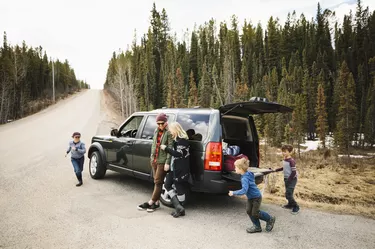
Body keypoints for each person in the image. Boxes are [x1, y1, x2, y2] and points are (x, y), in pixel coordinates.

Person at [229, 157, 276, 233]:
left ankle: (270, 219)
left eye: (236, 167)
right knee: (249, 211)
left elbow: (244, 190)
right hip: (251, 197)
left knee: (255, 212)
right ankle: (257, 227)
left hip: (256, 197)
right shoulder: (248, 173)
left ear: (241, 169)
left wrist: (233, 192)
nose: (235, 169)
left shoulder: (245, 178)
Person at [138, 113, 173, 212]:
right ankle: (156, 203)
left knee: (158, 182)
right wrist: (151, 158)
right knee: (155, 181)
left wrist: (167, 162)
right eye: (158, 124)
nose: (161, 126)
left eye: (162, 123)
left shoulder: (169, 132)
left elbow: (170, 148)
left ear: (166, 123)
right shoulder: (155, 131)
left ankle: (151, 202)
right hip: (154, 160)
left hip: (162, 161)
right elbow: (154, 145)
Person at [160, 122, 190, 218]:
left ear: (176, 130)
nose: (170, 132)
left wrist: (166, 149)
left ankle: (180, 208)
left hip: (180, 169)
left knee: (180, 188)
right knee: (167, 184)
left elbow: (178, 154)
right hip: (174, 168)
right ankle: (178, 207)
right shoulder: (176, 140)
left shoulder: (183, 141)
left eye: (171, 130)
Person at [274, 144, 300, 214]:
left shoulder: (291, 161)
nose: (283, 153)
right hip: (286, 179)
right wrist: (277, 170)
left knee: (288, 194)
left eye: (285, 151)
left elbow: (294, 172)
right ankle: (290, 205)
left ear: (290, 152)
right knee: (288, 193)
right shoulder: (285, 159)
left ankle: (296, 207)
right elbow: (284, 168)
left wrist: (289, 180)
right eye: (282, 151)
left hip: (292, 179)